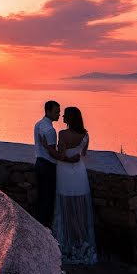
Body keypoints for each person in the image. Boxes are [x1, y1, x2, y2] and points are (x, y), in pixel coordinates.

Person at [52, 106, 97, 265]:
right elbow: (83, 155)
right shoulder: (85, 135)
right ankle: (81, 242)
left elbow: (61, 156)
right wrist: (73, 158)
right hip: (80, 174)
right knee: (79, 210)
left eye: (65, 115)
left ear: (69, 119)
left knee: (68, 209)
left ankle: (70, 243)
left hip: (65, 173)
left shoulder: (62, 134)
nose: (62, 117)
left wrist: (46, 148)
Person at [33, 101, 79, 228]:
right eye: (56, 111)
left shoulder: (38, 124)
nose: (59, 114)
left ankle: (39, 227)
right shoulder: (50, 131)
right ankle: (45, 228)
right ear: (48, 111)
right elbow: (55, 154)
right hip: (48, 167)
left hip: (39, 163)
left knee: (41, 198)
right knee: (48, 200)